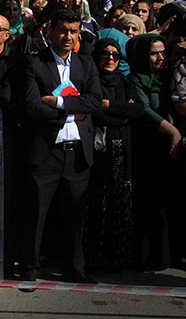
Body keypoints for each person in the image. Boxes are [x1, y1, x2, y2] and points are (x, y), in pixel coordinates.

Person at [20, 9, 102, 284]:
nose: (68, 36)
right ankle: (30, 269)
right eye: (63, 30)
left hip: (77, 152)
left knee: (75, 215)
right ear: (51, 31)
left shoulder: (86, 64)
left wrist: (59, 103)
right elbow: (32, 106)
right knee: (36, 214)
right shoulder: (34, 63)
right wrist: (75, 112)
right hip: (46, 152)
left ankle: (75, 269)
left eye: (74, 31)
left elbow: (94, 101)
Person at [85, 38, 143, 272]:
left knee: (120, 203)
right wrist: (122, 112)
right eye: (105, 54)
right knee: (97, 204)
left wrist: (110, 105)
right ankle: (96, 257)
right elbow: (95, 112)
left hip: (122, 153)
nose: (110, 59)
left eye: (115, 55)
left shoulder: (124, 81)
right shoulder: (91, 81)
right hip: (98, 153)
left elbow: (138, 110)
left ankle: (118, 258)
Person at [126, 34, 180, 270]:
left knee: (169, 203)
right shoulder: (135, 79)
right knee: (148, 202)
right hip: (148, 146)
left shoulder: (169, 77)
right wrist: (172, 131)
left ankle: (169, 254)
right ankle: (146, 257)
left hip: (171, 148)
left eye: (163, 53)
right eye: (154, 53)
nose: (160, 58)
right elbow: (145, 110)